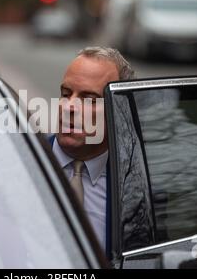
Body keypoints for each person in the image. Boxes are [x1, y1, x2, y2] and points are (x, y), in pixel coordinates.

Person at [48, 46, 134, 258]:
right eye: (66, 94)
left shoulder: (135, 181)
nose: (69, 107)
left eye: (89, 99)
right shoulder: (21, 162)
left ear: (119, 109)